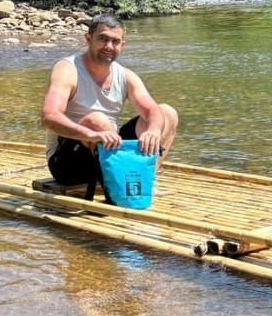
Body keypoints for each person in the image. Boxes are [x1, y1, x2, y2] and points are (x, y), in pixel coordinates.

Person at [41, 13, 179, 199]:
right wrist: (89, 134)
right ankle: (120, 181)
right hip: (68, 163)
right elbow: (49, 116)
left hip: (109, 148)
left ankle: (145, 178)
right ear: (88, 39)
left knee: (167, 113)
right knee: (96, 119)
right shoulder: (68, 69)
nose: (108, 47)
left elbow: (152, 111)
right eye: (103, 39)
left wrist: (153, 131)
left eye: (115, 41)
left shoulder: (126, 75)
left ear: (123, 44)